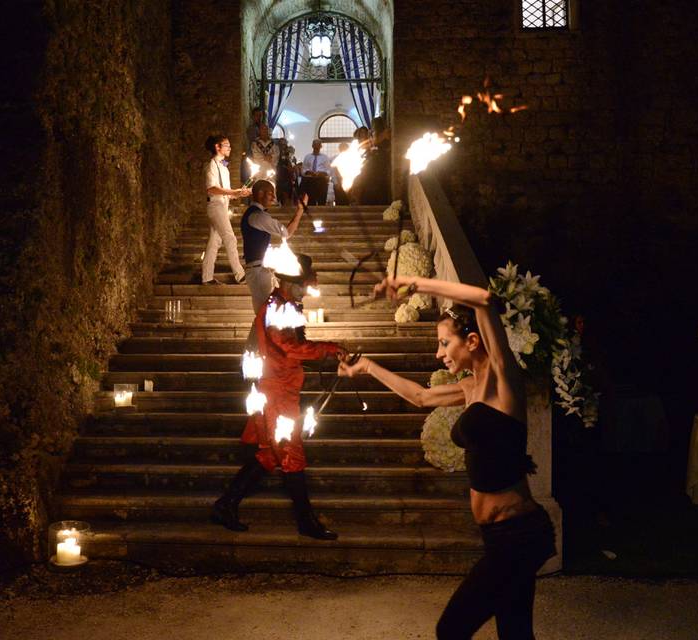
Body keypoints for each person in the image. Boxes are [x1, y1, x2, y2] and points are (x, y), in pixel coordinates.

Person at [338, 274, 556, 640]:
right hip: (500, 536)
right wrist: (369, 367)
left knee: (451, 629)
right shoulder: (470, 387)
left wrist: (411, 284)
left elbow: (484, 299)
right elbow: (421, 398)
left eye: (444, 343)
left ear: (472, 341)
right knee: (515, 634)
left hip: (518, 536)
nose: (439, 353)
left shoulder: (505, 381)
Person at [211, 253, 344, 540]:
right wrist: (330, 349)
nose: (305, 290)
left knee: (269, 454)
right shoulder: (278, 308)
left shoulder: (285, 306)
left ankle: (225, 504)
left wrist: (327, 354)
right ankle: (306, 522)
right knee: (292, 453)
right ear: (286, 282)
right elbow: (290, 348)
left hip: (282, 388)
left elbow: (297, 345)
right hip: (276, 392)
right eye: (300, 285)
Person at [240, 179, 307, 315]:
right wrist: (299, 211)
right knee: (265, 315)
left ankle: (263, 336)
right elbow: (286, 233)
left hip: (261, 271)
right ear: (260, 193)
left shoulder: (255, 215)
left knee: (269, 314)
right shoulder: (258, 216)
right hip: (258, 272)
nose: (274, 198)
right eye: (271, 193)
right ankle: (258, 337)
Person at [202, 135, 250, 286]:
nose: (230, 148)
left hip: (222, 206)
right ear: (217, 147)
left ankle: (207, 277)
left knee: (214, 242)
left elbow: (226, 191)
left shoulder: (224, 167)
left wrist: (239, 193)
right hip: (215, 206)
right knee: (230, 238)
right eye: (227, 145)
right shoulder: (212, 165)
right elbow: (211, 188)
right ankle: (240, 275)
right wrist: (232, 192)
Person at [299, 139, 331, 205]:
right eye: (315, 145)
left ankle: (321, 214)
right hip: (310, 180)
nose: (316, 147)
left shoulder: (325, 157)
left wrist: (322, 173)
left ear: (320, 146)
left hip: (321, 180)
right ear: (312, 146)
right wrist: (309, 172)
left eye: (318, 145)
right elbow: (303, 170)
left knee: (321, 200)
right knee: (311, 200)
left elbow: (328, 170)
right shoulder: (308, 157)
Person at [241, 106, 267, 184]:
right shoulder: (251, 129)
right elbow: (255, 142)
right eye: (257, 115)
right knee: (251, 178)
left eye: (260, 115)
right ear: (253, 117)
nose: (259, 118)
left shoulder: (262, 127)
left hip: (262, 158)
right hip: (253, 156)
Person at [331, 141, 351, 206]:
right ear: (339, 149)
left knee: (348, 200)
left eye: (345, 148)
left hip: (348, 180)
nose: (344, 149)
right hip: (338, 180)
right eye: (342, 148)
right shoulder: (335, 158)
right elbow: (333, 171)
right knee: (339, 200)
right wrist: (336, 182)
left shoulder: (351, 158)